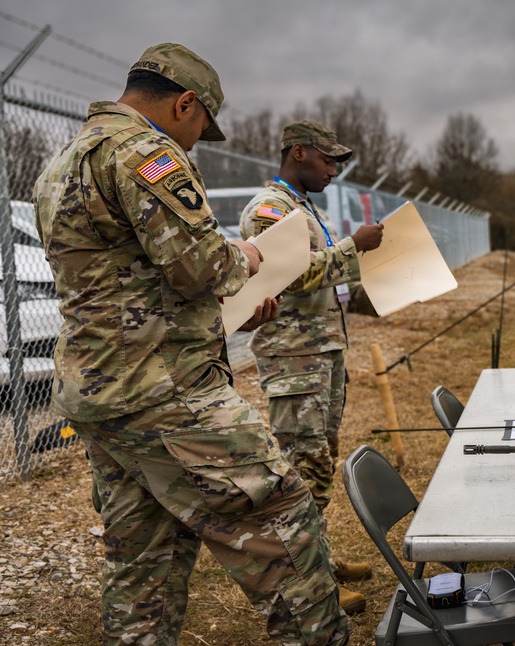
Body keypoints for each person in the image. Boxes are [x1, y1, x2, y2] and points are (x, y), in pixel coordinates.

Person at [33, 44, 349, 645]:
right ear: (185, 104)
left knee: (142, 558)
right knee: (282, 515)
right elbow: (200, 265)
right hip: (165, 392)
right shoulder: (145, 152)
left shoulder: (64, 161)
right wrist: (251, 256)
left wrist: (223, 318)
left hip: (99, 393)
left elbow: (123, 283)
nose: (199, 139)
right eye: (202, 125)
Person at [238, 120, 384, 614]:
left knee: (320, 459)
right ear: (297, 152)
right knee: (304, 468)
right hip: (294, 360)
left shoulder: (301, 208)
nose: (333, 171)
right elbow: (290, 275)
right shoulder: (269, 210)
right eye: (327, 160)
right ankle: (309, 584)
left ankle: (317, 558)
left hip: (320, 354)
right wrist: (355, 246)